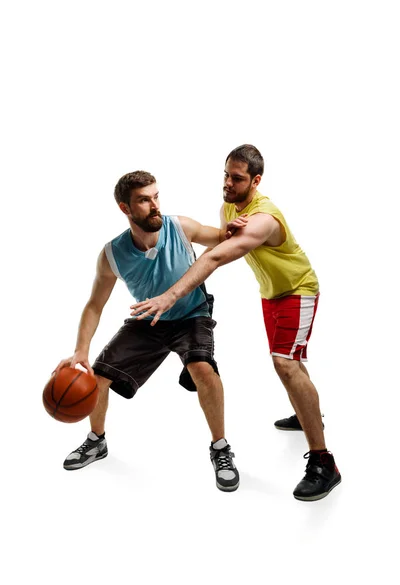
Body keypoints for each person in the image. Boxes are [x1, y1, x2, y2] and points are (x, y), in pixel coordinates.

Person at [130, 146, 341, 502]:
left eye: (238, 178)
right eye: (226, 174)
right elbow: (223, 238)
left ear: (256, 181)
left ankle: (324, 463)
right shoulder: (230, 205)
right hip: (272, 293)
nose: (228, 183)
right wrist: (228, 230)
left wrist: (169, 296)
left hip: (297, 290)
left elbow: (215, 256)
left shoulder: (265, 218)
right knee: (291, 359)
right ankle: (309, 412)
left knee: (284, 363)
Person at [54, 170, 246, 492]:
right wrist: (81, 350)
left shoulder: (179, 227)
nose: (154, 205)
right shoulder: (112, 254)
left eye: (156, 196)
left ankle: (220, 449)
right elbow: (94, 305)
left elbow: (222, 238)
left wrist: (235, 227)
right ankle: (96, 441)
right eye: (144, 200)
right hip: (149, 320)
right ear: (125, 208)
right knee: (96, 377)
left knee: (202, 368)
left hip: (191, 314)